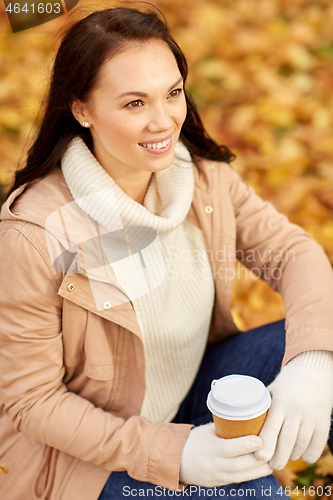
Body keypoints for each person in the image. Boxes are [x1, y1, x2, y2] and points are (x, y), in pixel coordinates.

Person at [1, 5, 333, 500]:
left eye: (172, 93)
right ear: (81, 110)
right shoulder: (31, 235)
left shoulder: (199, 178)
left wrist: (312, 363)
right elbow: (33, 401)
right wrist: (176, 454)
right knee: (257, 494)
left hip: (197, 388)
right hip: (90, 457)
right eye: (134, 103)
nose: (163, 122)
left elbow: (292, 252)